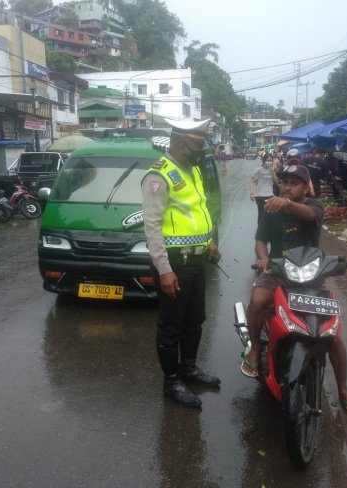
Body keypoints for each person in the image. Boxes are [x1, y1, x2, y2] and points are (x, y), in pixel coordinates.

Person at [241, 165, 347, 415]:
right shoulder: (271, 210)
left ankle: (343, 389)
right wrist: (263, 257)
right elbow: (261, 240)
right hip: (277, 273)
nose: (288, 187)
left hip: (311, 277)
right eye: (285, 182)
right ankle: (254, 348)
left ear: (306, 187)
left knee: (333, 334)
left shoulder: (314, 207)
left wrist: (286, 205)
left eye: (295, 183)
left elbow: (309, 215)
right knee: (257, 300)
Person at [141, 118, 221, 409]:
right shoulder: (158, 176)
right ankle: (172, 381)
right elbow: (152, 228)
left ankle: (189, 368)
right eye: (197, 144)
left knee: (195, 319)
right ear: (178, 141)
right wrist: (164, 270)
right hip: (174, 264)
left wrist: (209, 240)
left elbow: (197, 209)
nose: (201, 150)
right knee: (171, 325)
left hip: (197, 259)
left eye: (202, 143)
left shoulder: (192, 171)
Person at [250, 153, 275, 224]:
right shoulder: (259, 170)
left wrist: (273, 171)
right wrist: (251, 193)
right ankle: (260, 231)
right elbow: (252, 181)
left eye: (271, 160)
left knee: (269, 214)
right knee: (261, 213)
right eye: (267, 160)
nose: (269, 162)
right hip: (259, 195)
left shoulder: (272, 170)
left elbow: (277, 181)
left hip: (269, 195)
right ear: (264, 161)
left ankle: (267, 230)